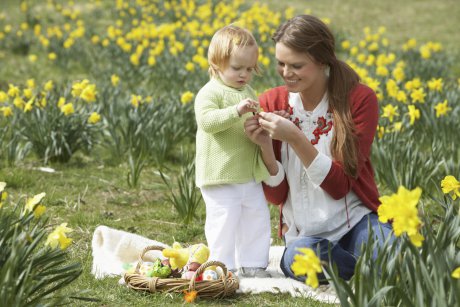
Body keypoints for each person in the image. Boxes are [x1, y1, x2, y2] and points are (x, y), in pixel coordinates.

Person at [243, 15, 394, 282]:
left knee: (395, 254)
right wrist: (266, 146)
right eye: (281, 63)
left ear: (322, 61)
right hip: (306, 237)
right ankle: (368, 272)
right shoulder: (272, 101)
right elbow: (277, 197)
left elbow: (340, 187)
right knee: (298, 258)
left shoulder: (358, 100)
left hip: (355, 223)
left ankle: (361, 267)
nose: (286, 73)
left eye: (296, 65)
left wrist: (296, 138)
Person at [194, 25, 272, 278]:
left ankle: (253, 263)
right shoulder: (210, 92)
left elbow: (250, 122)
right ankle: (221, 265)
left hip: (247, 173)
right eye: (237, 68)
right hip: (220, 173)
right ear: (216, 64)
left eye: (249, 69)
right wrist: (236, 111)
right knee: (223, 222)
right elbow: (207, 122)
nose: (244, 75)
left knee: (256, 218)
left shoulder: (247, 91)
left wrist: (263, 119)